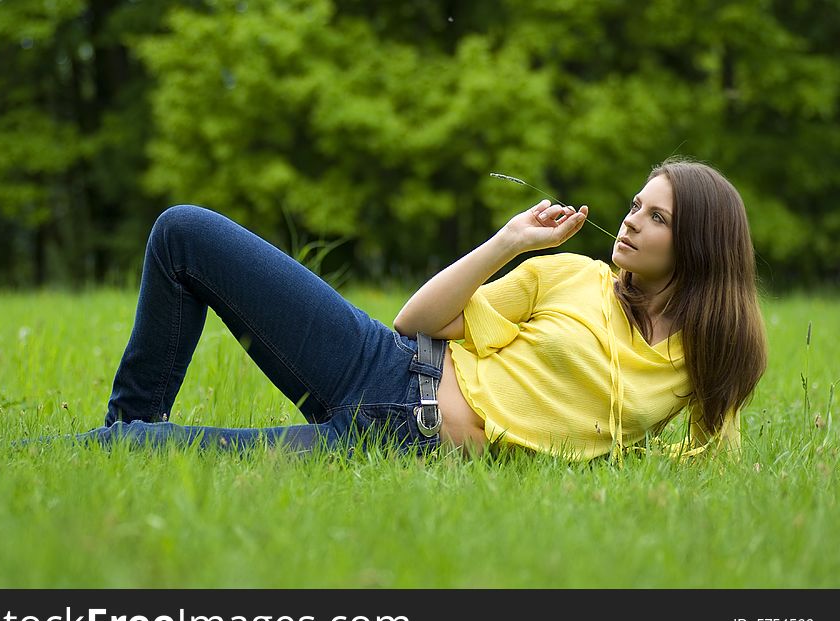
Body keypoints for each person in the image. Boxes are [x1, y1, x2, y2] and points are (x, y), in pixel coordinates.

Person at [74, 156, 767, 462]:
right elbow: (415, 321)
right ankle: (125, 428)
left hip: (405, 448)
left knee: (144, 452)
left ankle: (123, 447)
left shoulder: (700, 361)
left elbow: (708, 456)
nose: (633, 221)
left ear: (700, 244)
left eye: (659, 217)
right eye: (634, 205)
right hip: (385, 364)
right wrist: (509, 242)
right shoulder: (570, 275)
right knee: (183, 232)